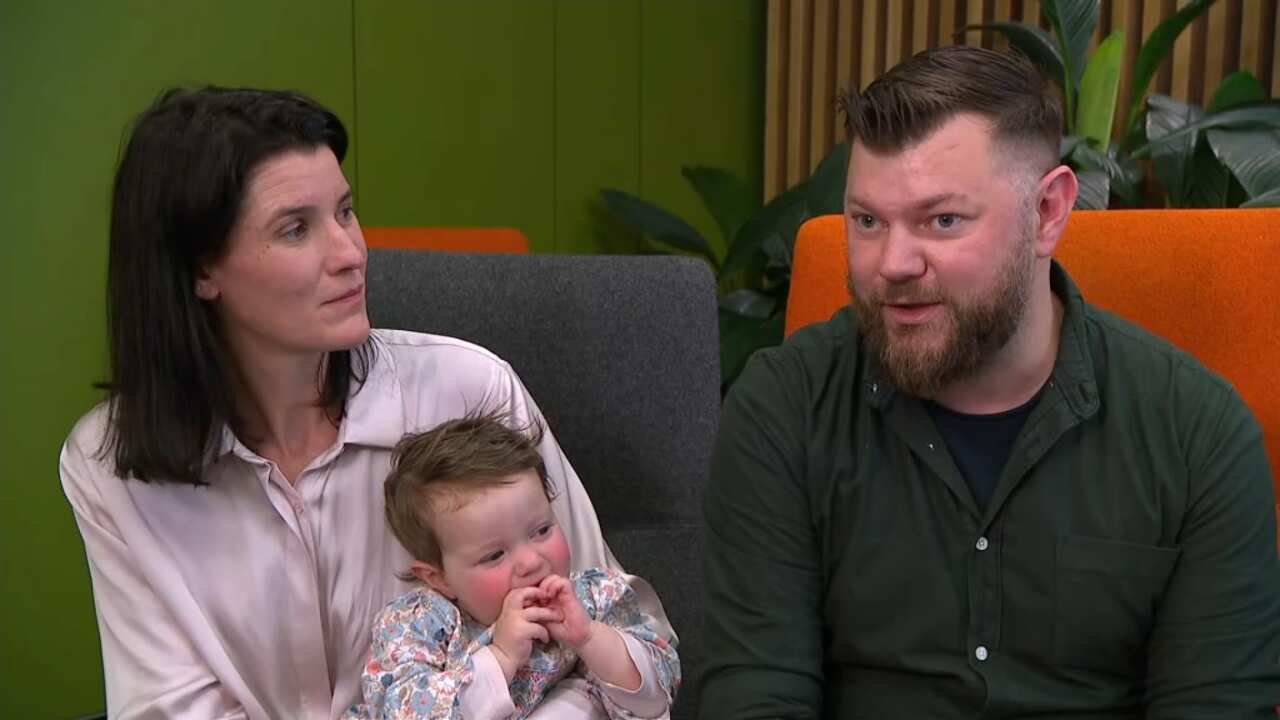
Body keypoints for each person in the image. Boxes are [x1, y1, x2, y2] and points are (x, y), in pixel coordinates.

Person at [700, 45, 1280, 718]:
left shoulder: (1197, 437)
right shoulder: (784, 410)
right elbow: (756, 697)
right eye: (867, 221)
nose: (893, 263)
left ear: (1048, 212)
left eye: (942, 220)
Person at [58, 86, 671, 720]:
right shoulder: (110, 465)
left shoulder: (469, 390)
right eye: (296, 229)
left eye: (346, 212)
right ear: (200, 269)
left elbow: (610, 647)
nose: (352, 253)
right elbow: (171, 708)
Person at [346, 412, 679, 719]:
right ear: (440, 577)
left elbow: (654, 700)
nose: (532, 562)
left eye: (542, 530)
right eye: (494, 555)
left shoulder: (591, 598)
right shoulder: (418, 626)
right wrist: (500, 657)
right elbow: (400, 711)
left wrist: (590, 638)